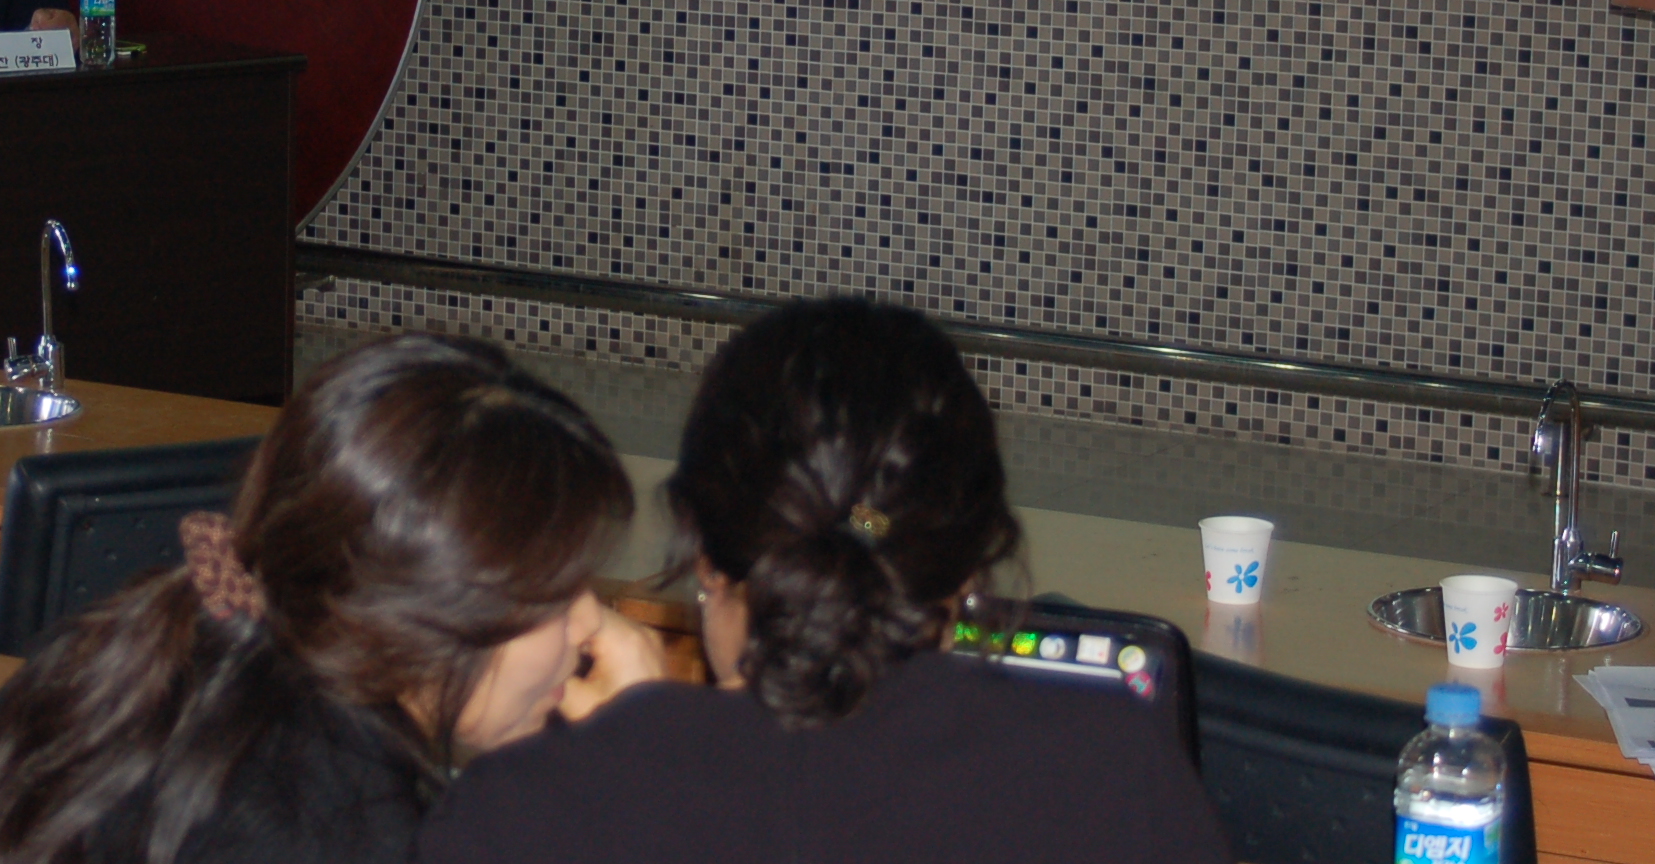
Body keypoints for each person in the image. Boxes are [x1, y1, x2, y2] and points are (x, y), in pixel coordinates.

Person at [417, 297, 1232, 864]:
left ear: (704, 554)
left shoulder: (518, 810)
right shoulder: (1113, 776)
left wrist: (610, 756)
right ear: (972, 562)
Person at [0, 332, 657, 864]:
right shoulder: (348, 825)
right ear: (433, 615)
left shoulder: (139, 647)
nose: (592, 628)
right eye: (559, 591)